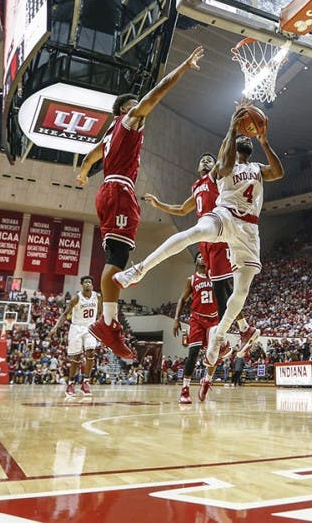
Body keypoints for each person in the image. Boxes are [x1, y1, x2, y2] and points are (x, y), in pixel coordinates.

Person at [114, 103, 284, 375]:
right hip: (224, 217)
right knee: (192, 233)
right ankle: (139, 269)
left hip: (250, 231)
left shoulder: (258, 168)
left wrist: (264, 141)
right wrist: (230, 126)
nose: (243, 136)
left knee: (240, 293)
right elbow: (222, 165)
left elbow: (279, 173)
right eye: (240, 135)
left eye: (245, 135)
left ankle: (219, 336)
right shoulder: (220, 168)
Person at [77, 46, 204, 360]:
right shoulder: (129, 120)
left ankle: (109, 323)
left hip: (109, 190)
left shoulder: (109, 135)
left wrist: (82, 172)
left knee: (115, 254)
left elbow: (93, 153)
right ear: (125, 109)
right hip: (119, 191)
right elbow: (157, 94)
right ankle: (108, 323)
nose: (141, 110)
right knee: (117, 259)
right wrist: (184, 67)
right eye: (135, 105)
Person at [143, 152, 258, 352]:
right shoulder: (196, 186)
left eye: (209, 159)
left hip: (219, 230)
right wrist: (158, 204)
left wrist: (229, 139)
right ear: (197, 167)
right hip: (204, 238)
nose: (205, 160)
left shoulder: (215, 176)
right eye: (202, 159)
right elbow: (180, 209)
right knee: (220, 287)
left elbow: (224, 156)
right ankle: (242, 328)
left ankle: (225, 338)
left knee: (221, 287)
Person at [171, 254, 222, 403]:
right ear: (195, 261)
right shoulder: (191, 279)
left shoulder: (215, 277)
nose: (202, 257)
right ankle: (185, 389)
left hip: (213, 319)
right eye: (199, 256)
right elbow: (182, 299)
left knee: (214, 355)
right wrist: (176, 319)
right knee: (193, 352)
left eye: (203, 256)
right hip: (197, 319)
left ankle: (207, 380)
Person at [53, 276, 101, 397]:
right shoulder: (76, 298)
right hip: (77, 327)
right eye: (85, 282)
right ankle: (71, 383)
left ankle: (85, 382)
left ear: (92, 285)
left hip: (90, 327)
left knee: (91, 352)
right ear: (81, 285)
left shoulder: (98, 297)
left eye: (90, 282)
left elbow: (100, 312)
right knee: (76, 356)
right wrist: (56, 327)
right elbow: (65, 314)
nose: (88, 284)